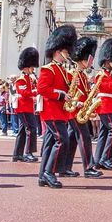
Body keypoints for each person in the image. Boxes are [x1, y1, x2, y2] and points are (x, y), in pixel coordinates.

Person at [36, 25, 78, 188]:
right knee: (62, 140)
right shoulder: (48, 69)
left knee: (50, 143)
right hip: (51, 111)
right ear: (58, 51)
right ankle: (49, 172)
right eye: (66, 52)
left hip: (59, 112)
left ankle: (42, 176)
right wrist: (61, 94)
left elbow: (70, 85)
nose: (68, 55)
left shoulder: (62, 70)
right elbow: (42, 89)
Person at [61, 37, 101, 179]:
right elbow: (69, 91)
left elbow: (84, 91)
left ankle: (65, 167)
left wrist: (91, 96)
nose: (89, 63)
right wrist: (77, 102)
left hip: (81, 110)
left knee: (72, 139)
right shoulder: (73, 74)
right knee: (84, 138)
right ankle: (89, 167)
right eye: (87, 60)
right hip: (75, 111)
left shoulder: (83, 75)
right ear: (80, 59)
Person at [92, 37, 112, 171]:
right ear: (107, 61)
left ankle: (98, 159)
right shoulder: (101, 75)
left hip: (110, 106)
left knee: (104, 133)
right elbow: (107, 88)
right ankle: (105, 158)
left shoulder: (109, 74)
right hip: (106, 106)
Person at [12, 46, 40, 163]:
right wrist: (36, 91)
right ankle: (28, 152)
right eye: (32, 67)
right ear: (26, 67)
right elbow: (24, 93)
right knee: (31, 129)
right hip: (23, 108)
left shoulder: (29, 79)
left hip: (27, 108)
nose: (33, 69)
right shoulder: (21, 80)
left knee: (23, 131)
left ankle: (17, 154)